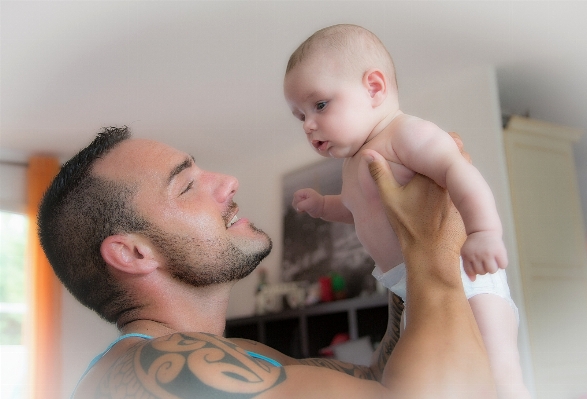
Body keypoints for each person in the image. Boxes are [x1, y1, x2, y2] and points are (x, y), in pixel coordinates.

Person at [38, 126, 496, 398]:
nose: (228, 182)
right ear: (135, 253)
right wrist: (431, 249)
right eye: (186, 185)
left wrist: (395, 249)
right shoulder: (160, 366)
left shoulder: (242, 358)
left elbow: (382, 380)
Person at [284, 24, 529, 398]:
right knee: (441, 379)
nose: (310, 124)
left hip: (465, 277)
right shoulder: (352, 166)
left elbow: (458, 171)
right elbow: (354, 209)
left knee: (499, 373)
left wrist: (484, 232)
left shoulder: (405, 134)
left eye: (319, 105)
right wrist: (322, 206)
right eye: (300, 116)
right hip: (416, 289)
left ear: (374, 88)